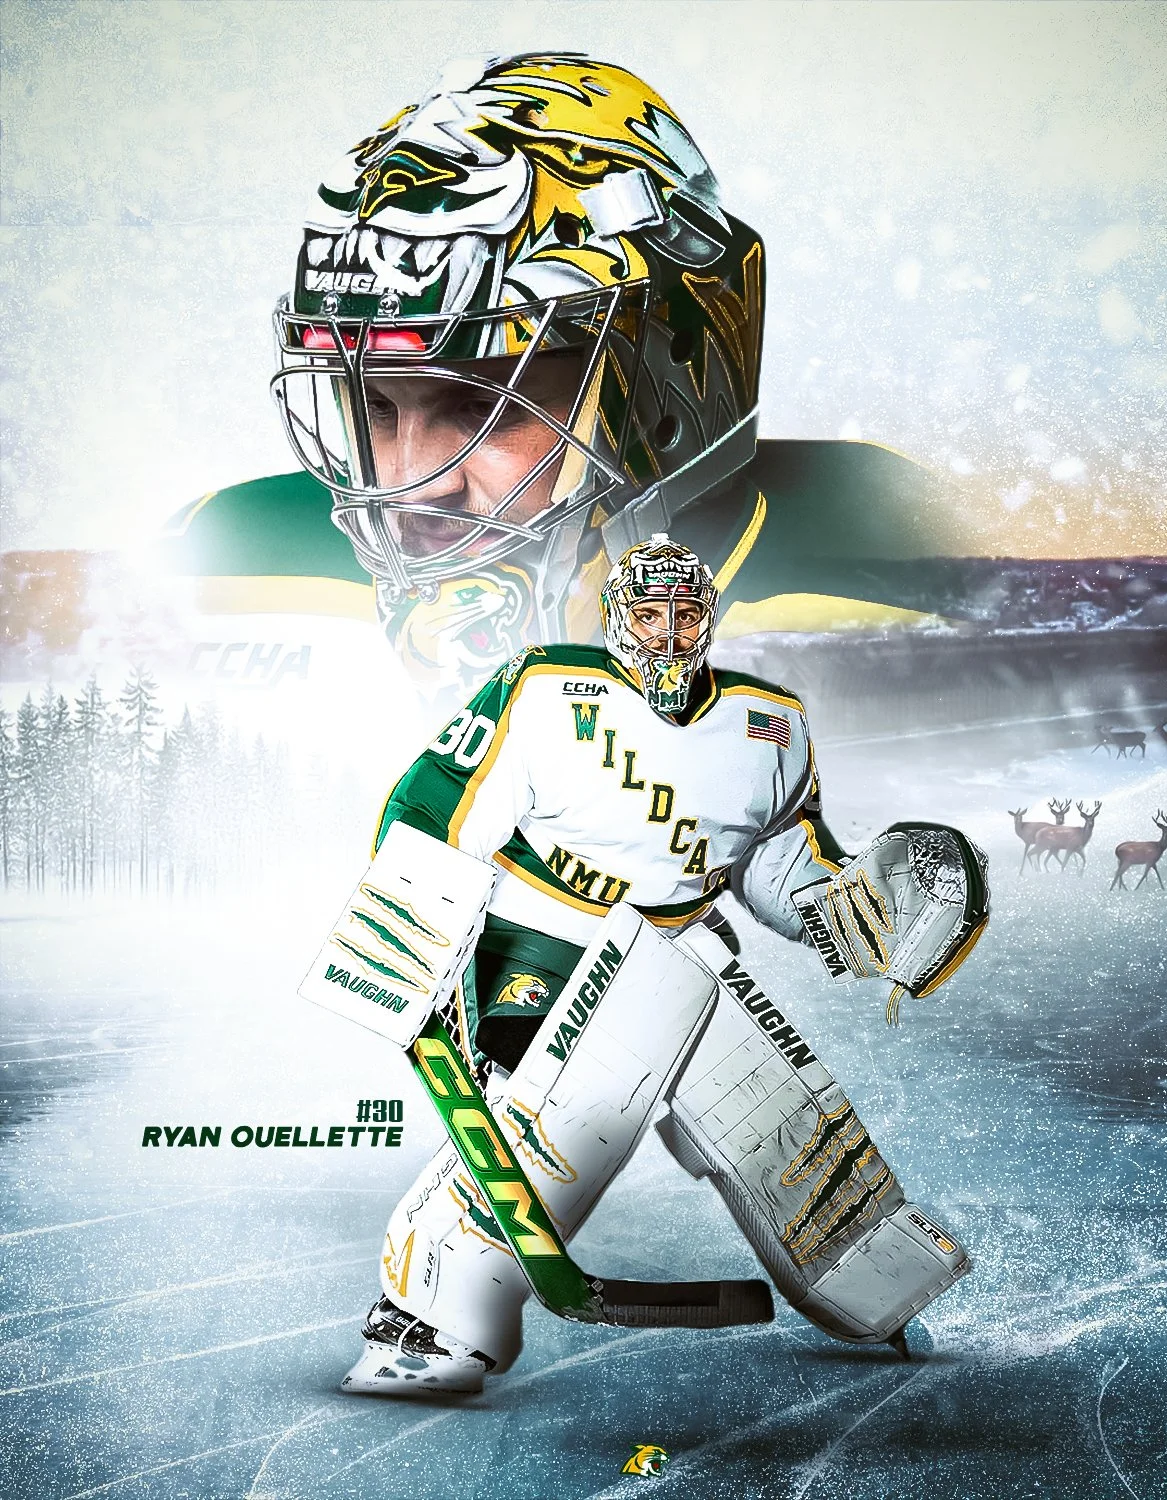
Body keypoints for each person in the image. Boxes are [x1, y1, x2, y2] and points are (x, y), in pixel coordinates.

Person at [0, 51, 955, 715]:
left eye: (476, 404)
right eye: (375, 404)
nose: (412, 483)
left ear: (664, 386)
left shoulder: (884, 559)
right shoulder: (232, 554)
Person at [336, 534, 989, 1396]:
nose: (669, 636)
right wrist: (405, 942)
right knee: (568, 1123)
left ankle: (874, 1292)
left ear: (708, 621)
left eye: (686, 618)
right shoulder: (542, 688)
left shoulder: (773, 724)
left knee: (780, 1121)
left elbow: (775, 861)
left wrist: (850, 909)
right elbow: (432, 805)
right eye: (649, 614)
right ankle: (429, 1320)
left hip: (684, 942)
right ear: (616, 617)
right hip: (541, 936)